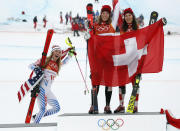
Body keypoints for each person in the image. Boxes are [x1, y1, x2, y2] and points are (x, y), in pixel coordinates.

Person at [87, 4, 121, 114]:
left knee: (108, 83)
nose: (105, 15)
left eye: (107, 13)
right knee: (95, 82)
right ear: (101, 14)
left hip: (109, 59)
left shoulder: (112, 24)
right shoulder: (95, 26)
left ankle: (107, 106)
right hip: (97, 59)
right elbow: (90, 40)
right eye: (103, 13)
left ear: (109, 15)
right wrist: (87, 36)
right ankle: (93, 105)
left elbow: (116, 9)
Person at [30, 45, 76, 123]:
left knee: (56, 108)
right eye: (56, 51)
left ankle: (36, 116)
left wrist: (70, 55)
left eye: (59, 52)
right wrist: (36, 69)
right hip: (41, 89)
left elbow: (64, 62)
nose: (58, 53)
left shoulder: (58, 65)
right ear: (52, 52)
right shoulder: (45, 60)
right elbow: (31, 65)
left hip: (47, 90)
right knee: (43, 109)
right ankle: (34, 126)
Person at [114, 8, 140, 113]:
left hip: (134, 59)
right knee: (121, 82)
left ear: (132, 16)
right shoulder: (122, 28)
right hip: (124, 58)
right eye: (126, 16)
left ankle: (135, 105)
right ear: (124, 18)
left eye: (129, 15)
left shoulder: (137, 28)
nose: (128, 17)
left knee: (135, 83)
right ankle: (121, 105)